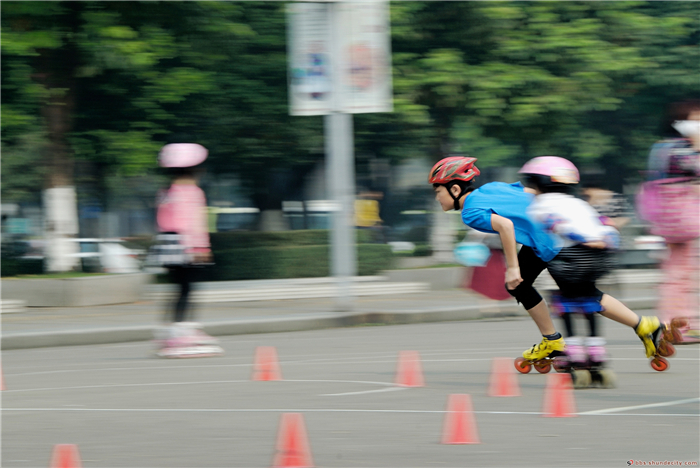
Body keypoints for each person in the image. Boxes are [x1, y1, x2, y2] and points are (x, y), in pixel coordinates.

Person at [429, 156, 672, 369]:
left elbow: (506, 225)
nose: (437, 197)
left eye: (437, 191)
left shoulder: (469, 212)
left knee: (579, 295)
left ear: (454, 189)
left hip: (551, 242)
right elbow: (532, 193)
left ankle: (635, 327)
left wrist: (512, 268)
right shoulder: (491, 188)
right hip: (544, 237)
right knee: (529, 287)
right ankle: (634, 327)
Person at [152, 143, 223, 358]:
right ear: (195, 171)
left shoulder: (166, 192)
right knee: (188, 289)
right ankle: (181, 333)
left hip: (167, 244)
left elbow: (163, 221)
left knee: (179, 289)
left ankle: (172, 331)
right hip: (188, 245)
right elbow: (193, 223)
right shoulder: (193, 192)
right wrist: (201, 247)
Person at [639, 99, 700, 343]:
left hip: (668, 219)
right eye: (695, 118)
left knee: (677, 271)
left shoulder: (661, 147)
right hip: (682, 218)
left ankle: (679, 323)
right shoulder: (680, 148)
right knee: (681, 274)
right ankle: (679, 325)